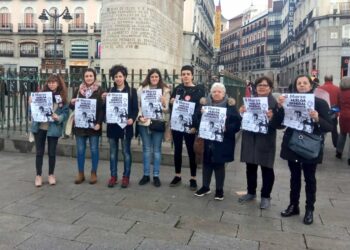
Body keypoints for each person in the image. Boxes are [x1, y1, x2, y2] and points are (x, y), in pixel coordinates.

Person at [278, 74, 333, 225]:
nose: (302, 85)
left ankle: (310, 209)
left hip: (310, 146)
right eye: (299, 83)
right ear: (295, 86)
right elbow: (279, 124)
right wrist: (280, 108)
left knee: (310, 178)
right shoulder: (288, 101)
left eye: (305, 83)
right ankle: (293, 205)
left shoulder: (320, 103)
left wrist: (317, 118)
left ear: (310, 86)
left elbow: (329, 126)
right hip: (293, 145)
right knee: (294, 177)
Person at [238, 76, 284, 209]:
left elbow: (281, 125)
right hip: (250, 139)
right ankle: (251, 192)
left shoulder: (275, 103)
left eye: (265, 85)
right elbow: (242, 120)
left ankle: (265, 196)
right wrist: (241, 113)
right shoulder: (249, 101)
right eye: (259, 85)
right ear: (255, 87)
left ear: (270, 88)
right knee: (250, 167)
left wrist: (273, 117)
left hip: (265, 140)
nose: (262, 87)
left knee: (267, 169)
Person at [194, 83, 241, 200]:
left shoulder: (230, 106)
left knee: (219, 165)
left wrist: (227, 128)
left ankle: (219, 189)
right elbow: (195, 119)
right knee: (206, 163)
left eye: (219, 91)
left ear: (224, 94)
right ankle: (205, 186)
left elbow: (237, 124)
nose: (216, 93)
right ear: (211, 93)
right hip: (207, 139)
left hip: (223, 141)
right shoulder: (204, 105)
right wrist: (200, 115)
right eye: (214, 91)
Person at [169, 65, 206, 190]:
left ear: (192, 75)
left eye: (188, 74)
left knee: (191, 152)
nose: (185, 76)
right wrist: (171, 102)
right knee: (177, 150)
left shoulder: (199, 90)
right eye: (183, 74)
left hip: (191, 126)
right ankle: (177, 175)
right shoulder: (178, 89)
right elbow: (172, 106)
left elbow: (199, 110)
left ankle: (193, 178)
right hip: (177, 125)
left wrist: (195, 126)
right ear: (181, 76)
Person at [30, 74, 69, 187]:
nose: (52, 84)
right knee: (39, 152)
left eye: (54, 82)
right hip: (40, 127)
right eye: (50, 82)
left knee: (52, 153)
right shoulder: (40, 95)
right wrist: (31, 103)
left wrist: (59, 117)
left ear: (58, 83)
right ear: (47, 83)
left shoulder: (62, 98)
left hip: (53, 128)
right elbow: (31, 111)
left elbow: (65, 113)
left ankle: (51, 174)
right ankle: (38, 175)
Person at [103, 65, 138, 188]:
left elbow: (135, 109)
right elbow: (105, 109)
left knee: (126, 152)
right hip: (112, 126)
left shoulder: (131, 91)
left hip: (125, 127)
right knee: (113, 153)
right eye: (116, 76)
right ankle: (113, 176)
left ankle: (126, 176)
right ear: (113, 78)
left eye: (120, 76)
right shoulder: (109, 91)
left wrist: (132, 119)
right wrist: (104, 100)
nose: (118, 78)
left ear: (125, 77)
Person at [70, 68, 104, 185]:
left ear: (94, 77)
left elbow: (102, 109)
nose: (89, 78)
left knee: (94, 149)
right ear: (83, 78)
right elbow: (72, 106)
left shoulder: (99, 91)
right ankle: (80, 173)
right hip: (80, 125)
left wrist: (99, 123)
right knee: (80, 150)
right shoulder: (78, 90)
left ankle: (94, 173)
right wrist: (72, 102)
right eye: (86, 76)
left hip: (94, 126)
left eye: (91, 76)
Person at [137, 68, 170, 187]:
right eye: (152, 77)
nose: (154, 79)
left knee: (156, 150)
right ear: (149, 77)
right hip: (144, 122)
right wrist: (140, 117)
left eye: (156, 77)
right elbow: (138, 105)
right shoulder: (141, 89)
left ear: (159, 78)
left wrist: (163, 102)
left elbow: (167, 110)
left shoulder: (165, 90)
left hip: (158, 122)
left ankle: (156, 175)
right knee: (146, 150)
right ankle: (146, 175)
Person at [318, 74, 340, 147]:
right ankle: (337, 145)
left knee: (322, 130)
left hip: (322, 113)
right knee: (334, 130)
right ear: (332, 79)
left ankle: (321, 144)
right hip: (333, 113)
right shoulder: (337, 89)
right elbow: (339, 102)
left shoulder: (319, 88)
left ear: (324, 79)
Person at [336, 76, 350, 165]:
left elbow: (338, 106)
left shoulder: (340, 93)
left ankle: (339, 152)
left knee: (342, 134)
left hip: (343, 116)